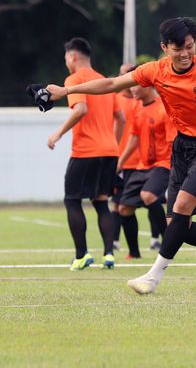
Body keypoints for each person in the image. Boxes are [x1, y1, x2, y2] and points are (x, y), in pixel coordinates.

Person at [46, 17, 196, 294]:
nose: (185, 54)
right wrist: (66, 90)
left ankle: (152, 277)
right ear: (164, 47)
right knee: (176, 224)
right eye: (177, 48)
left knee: (181, 207)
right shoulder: (155, 71)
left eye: (190, 46)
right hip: (182, 148)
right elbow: (111, 84)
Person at [47, 38, 125, 270]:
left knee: (72, 200)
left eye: (66, 59)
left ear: (72, 57)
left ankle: (81, 255)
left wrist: (58, 133)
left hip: (86, 151)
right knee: (101, 202)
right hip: (109, 151)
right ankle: (109, 254)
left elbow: (81, 109)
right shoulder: (103, 81)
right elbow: (120, 119)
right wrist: (114, 143)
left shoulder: (73, 80)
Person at [115, 83, 176, 259]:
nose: (132, 90)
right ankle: (134, 253)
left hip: (163, 164)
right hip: (142, 166)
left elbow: (173, 141)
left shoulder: (164, 108)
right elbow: (134, 137)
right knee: (124, 209)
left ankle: (169, 242)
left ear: (148, 87)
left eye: (135, 86)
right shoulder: (137, 107)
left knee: (148, 195)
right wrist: (121, 161)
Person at [111, 63, 142, 252]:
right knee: (117, 204)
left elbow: (136, 136)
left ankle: (159, 239)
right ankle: (115, 242)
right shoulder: (115, 99)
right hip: (120, 161)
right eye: (123, 75)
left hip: (141, 163)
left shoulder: (143, 101)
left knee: (152, 201)